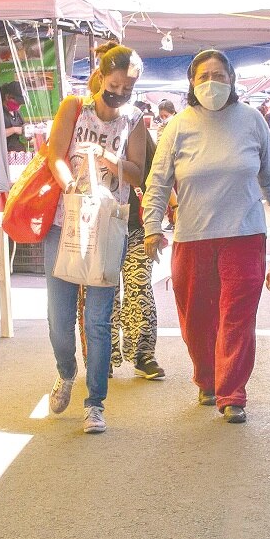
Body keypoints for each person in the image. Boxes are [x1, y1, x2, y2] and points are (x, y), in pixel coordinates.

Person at [144, 49, 270, 424]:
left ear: (232, 80)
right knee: (196, 318)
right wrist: (151, 228)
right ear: (192, 84)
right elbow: (158, 180)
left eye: (219, 75)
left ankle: (232, 393)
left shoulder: (251, 121)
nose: (212, 82)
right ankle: (207, 377)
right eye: (203, 77)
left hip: (244, 235)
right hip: (193, 237)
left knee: (237, 316)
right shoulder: (178, 126)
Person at [44, 42, 146, 435]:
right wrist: (69, 183)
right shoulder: (74, 107)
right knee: (59, 316)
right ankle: (66, 371)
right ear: (101, 77)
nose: (119, 94)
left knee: (98, 319)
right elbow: (54, 152)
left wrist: (110, 160)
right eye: (115, 84)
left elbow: (138, 173)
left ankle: (95, 402)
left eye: (128, 88)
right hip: (65, 223)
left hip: (108, 226)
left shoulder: (134, 120)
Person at [106, 120, 165, 381]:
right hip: (104, 230)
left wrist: (155, 227)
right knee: (104, 294)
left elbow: (157, 188)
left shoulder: (146, 146)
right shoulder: (99, 141)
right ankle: (102, 355)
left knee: (139, 290)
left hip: (138, 229)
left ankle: (143, 355)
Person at [0, 82, 28, 154]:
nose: (19, 105)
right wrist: (14, 129)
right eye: (18, 102)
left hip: (19, 154)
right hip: (5, 154)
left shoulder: (17, 112)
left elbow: (24, 129)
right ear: (7, 97)